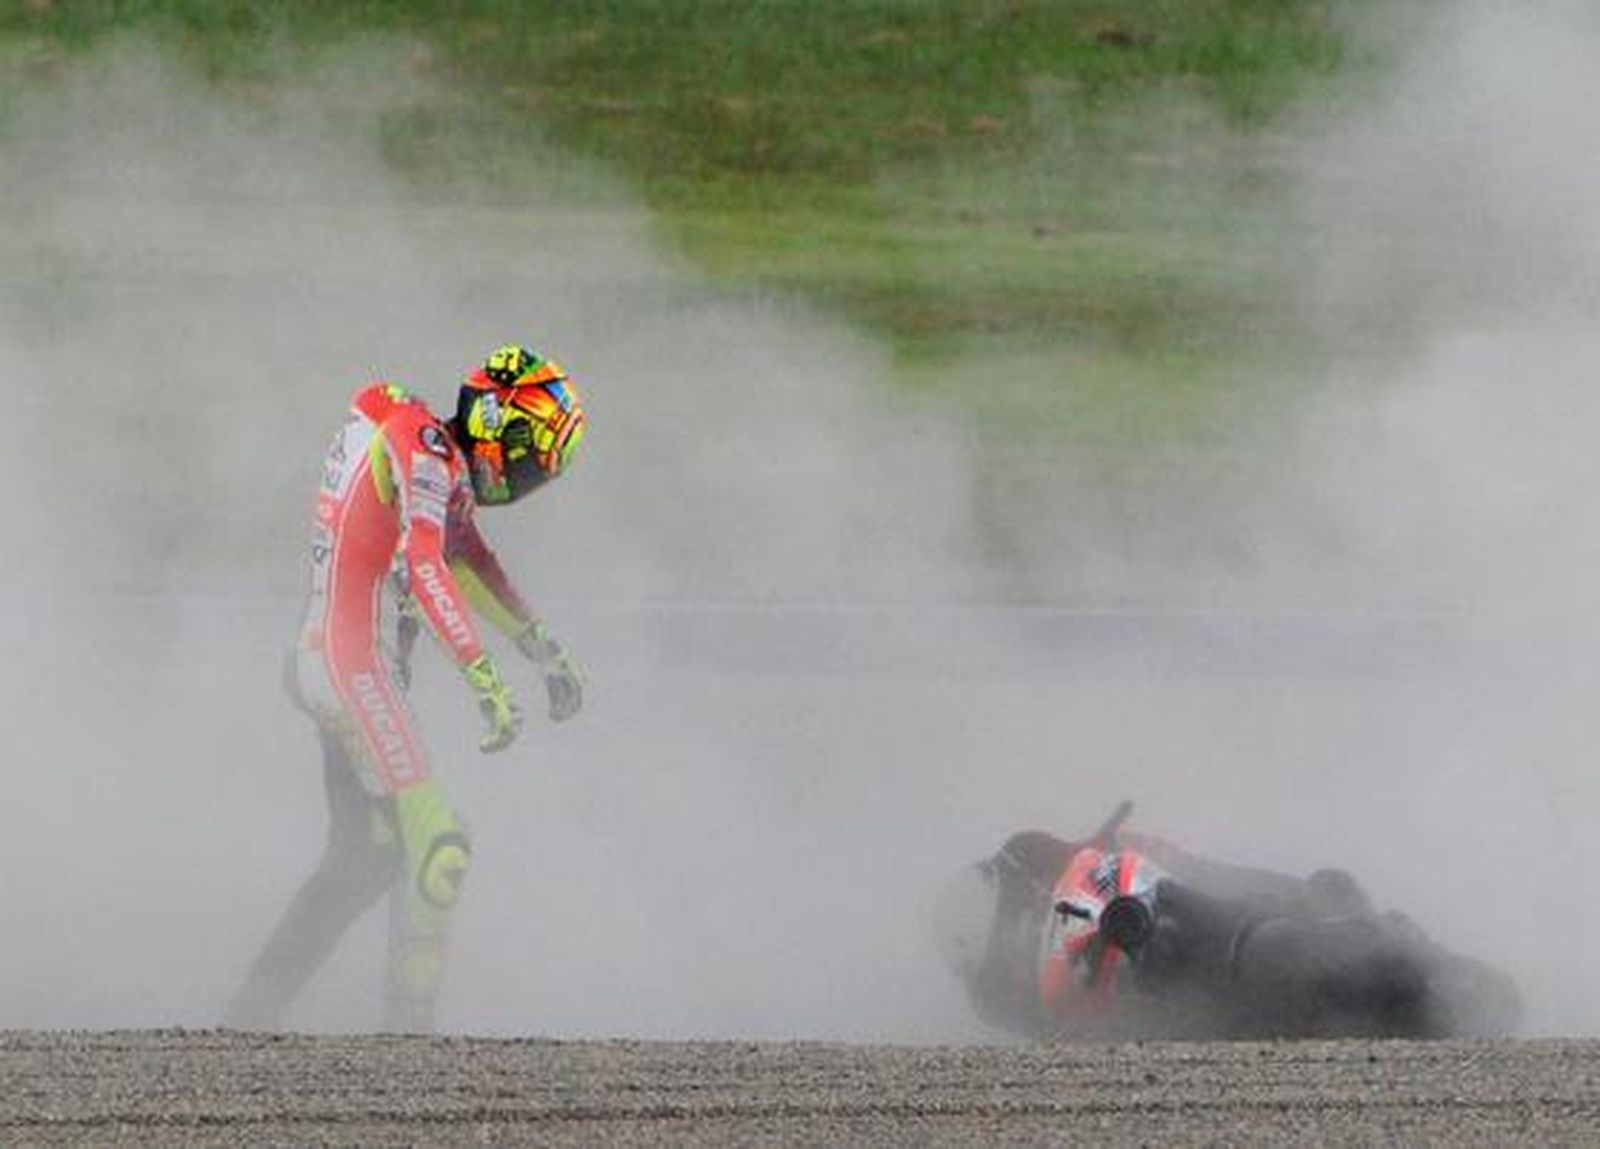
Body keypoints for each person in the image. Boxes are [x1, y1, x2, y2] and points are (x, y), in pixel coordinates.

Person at [227, 344, 588, 1032]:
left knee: (370, 856)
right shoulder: (422, 445)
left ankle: (247, 1016)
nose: (523, 480)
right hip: (351, 664)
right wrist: (484, 675)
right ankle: (409, 1046)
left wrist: (541, 648)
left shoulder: (427, 454)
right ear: (498, 429)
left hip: (330, 658)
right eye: (530, 460)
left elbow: (472, 558)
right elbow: (425, 563)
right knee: (440, 844)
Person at [932, 805, 1367, 1039]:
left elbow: (1076, 849)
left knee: (1209, 876)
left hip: (1126, 891)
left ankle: (1312, 902)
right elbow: (1044, 1033)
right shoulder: (993, 999)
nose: (1011, 937)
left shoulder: (1021, 855)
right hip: (1112, 981)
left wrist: (1102, 844)